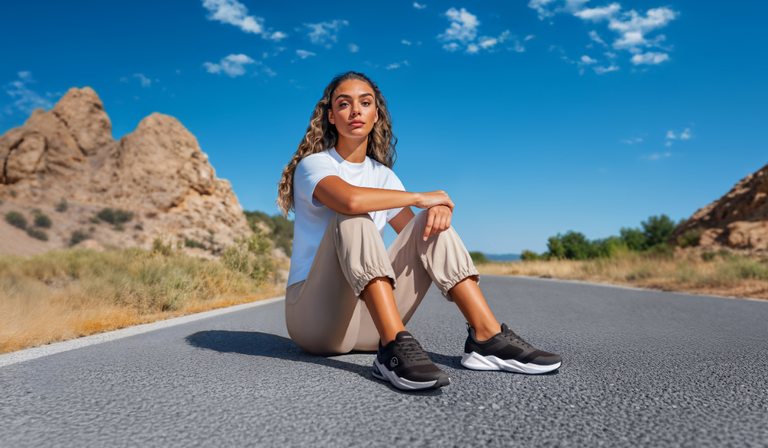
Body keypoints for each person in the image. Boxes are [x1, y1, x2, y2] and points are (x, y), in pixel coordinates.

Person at [276, 71, 561, 391]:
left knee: (429, 225)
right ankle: (395, 346)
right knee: (352, 215)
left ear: (375, 114)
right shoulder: (314, 166)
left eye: (365, 103)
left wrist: (434, 212)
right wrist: (421, 197)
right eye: (344, 104)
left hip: (368, 327)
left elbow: (415, 233)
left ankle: (487, 337)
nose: (355, 110)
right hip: (316, 322)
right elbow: (351, 199)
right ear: (331, 116)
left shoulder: (383, 176)